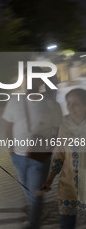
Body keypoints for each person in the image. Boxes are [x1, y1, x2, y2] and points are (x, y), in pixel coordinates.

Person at [2, 67, 62, 229]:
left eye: (35, 78)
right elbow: (8, 127)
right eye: (28, 78)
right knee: (28, 190)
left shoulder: (51, 104)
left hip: (40, 157)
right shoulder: (14, 100)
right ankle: (39, 210)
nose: (30, 81)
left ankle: (33, 223)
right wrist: (11, 151)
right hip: (18, 157)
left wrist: (48, 150)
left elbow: (56, 130)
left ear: (41, 81)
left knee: (34, 193)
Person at [43, 88, 86, 229]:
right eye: (68, 104)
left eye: (76, 104)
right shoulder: (65, 125)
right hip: (68, 186)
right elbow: (60, 154)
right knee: (67, 224)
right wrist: (49, 179)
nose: (71, 108)